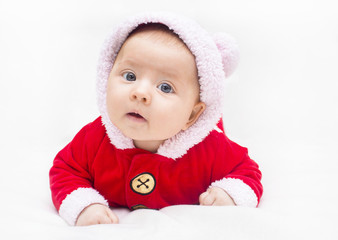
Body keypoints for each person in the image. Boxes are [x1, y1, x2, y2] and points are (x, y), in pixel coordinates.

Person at [49, 12, 263, 226]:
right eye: (130, 76)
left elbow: (247, 171)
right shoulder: (93, 139)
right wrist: (85, 205)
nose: (140, 92)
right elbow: (65, 170)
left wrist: (229, 194)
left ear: (191, 115)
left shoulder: (210, 148)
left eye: (165, 87)